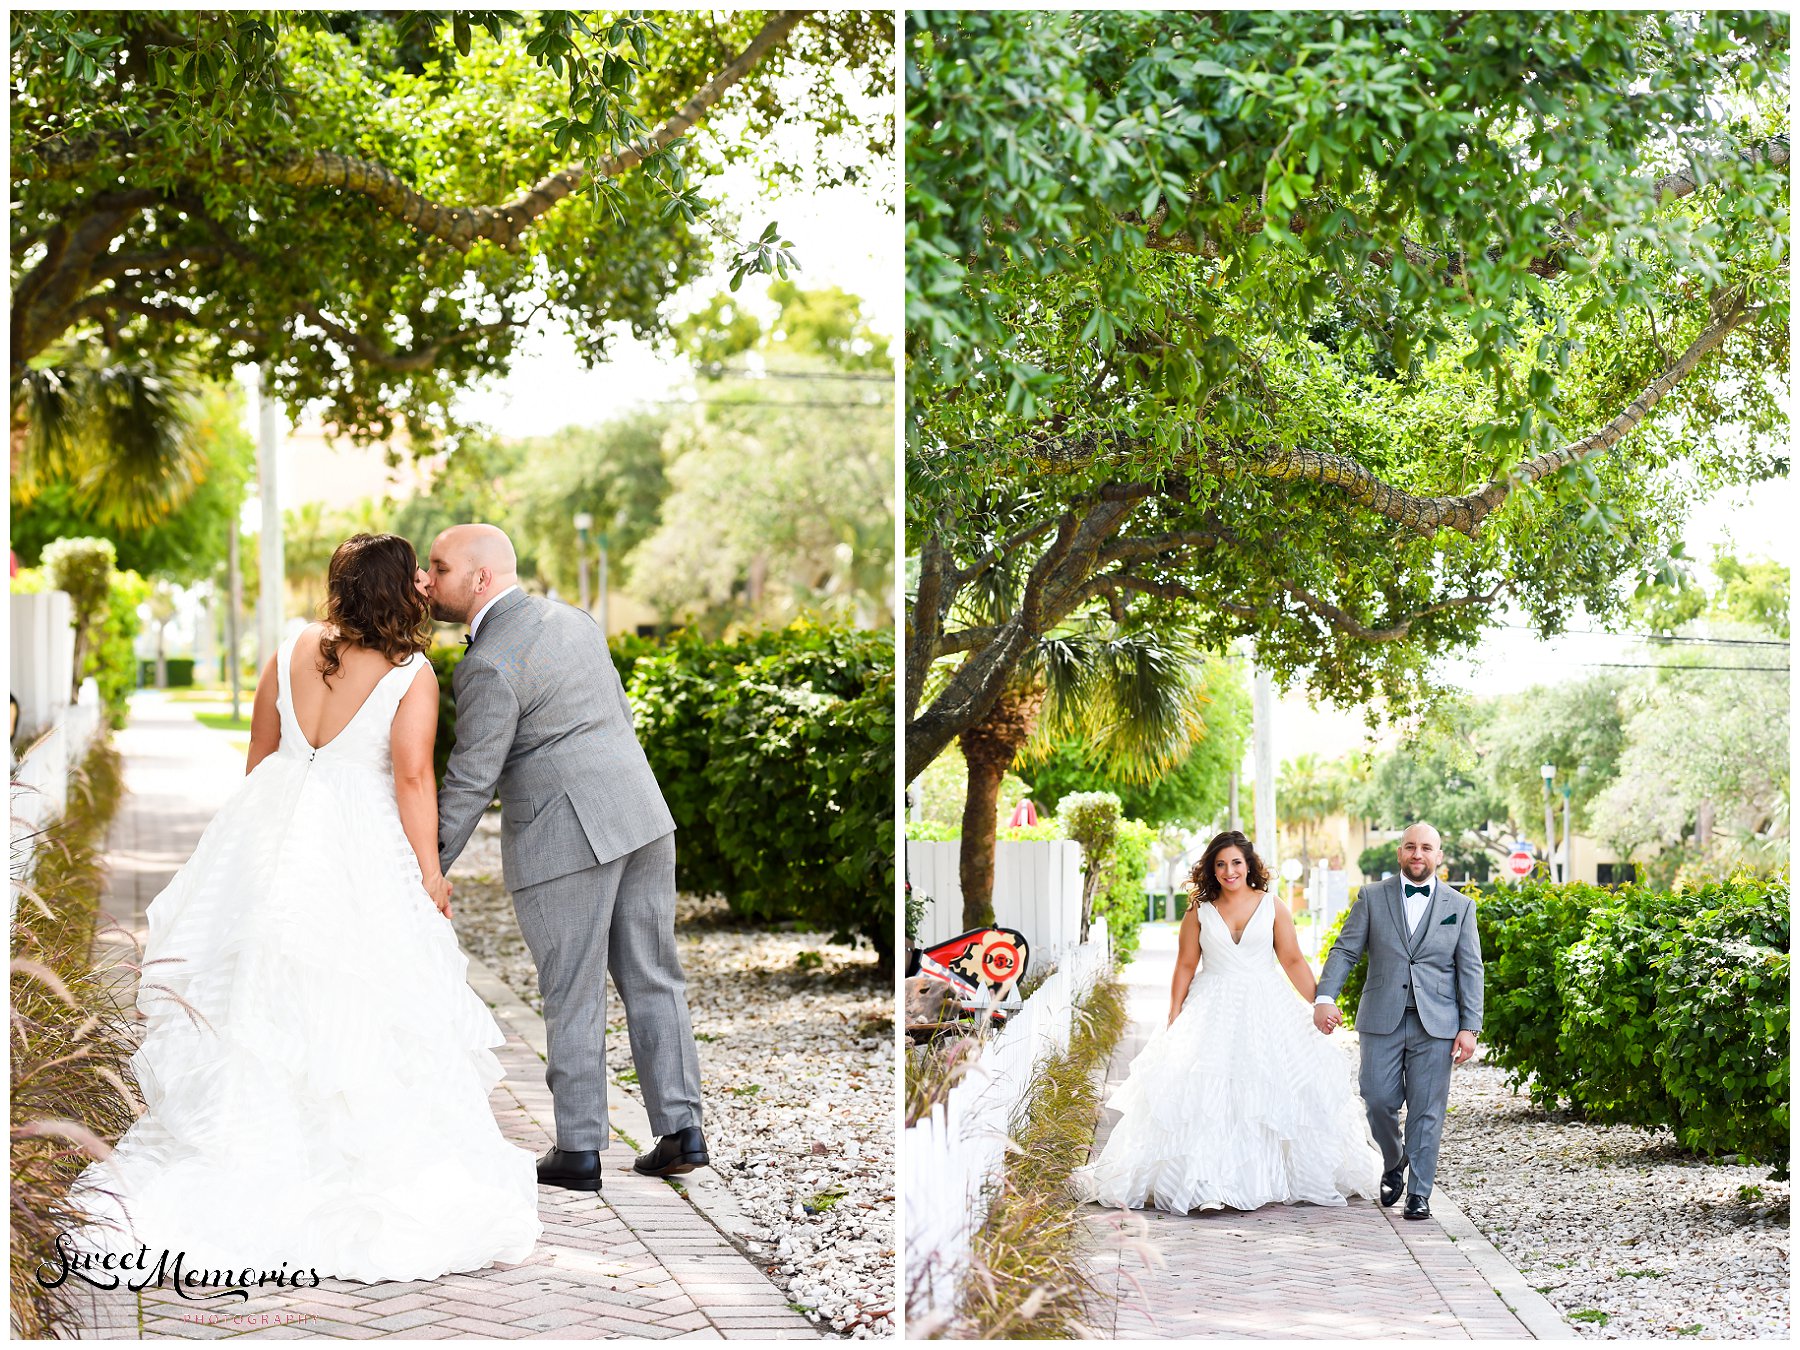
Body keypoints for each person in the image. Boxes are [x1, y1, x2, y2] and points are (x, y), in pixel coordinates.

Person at [71, 533, 540, 1282]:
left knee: (253, 983)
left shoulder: (291, 647)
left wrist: (262, 837)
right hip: (357, 841)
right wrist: (429, 874)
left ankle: (235, 1141)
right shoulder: (409, 671)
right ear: (399, 590)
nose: (427, 581)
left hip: (272, 825)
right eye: (416, 573)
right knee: (355, 992)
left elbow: (260, 757)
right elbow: (414, 781)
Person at [423, 524, 705, 1192]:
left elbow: (471, 776)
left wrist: (428, 867)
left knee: (571, 988)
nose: (427, 581)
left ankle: (579, 1151)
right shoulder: (574, 621)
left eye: (438, 568)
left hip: (566, 833)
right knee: (654, 975)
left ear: (481, 578)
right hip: (640, 813)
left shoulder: (489, 663)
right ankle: (681, 1129)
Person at [1079, 830, 1381, 1213]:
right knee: (1208, 1098)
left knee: (1268, 1090)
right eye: (1220, 864)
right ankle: (1208, 1185)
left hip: (1266, 1006)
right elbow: (1186, 965)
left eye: (1235, 862)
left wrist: (1319, 1002)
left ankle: (1262, 1179)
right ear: (1211, 869)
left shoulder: (1273, 906)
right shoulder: (1199, 910)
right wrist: (1173, 1017)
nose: (1228, 871)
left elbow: (1291, 960)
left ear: (1249, 864)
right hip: (1212, 1006)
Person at [1314, 821, 1483, 1220]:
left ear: (1439, 856)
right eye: (1410, 847)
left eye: (1426, 848)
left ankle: (1419, 1194)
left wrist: (1470, 1026)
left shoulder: (1460, 907)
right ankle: (1393, 1161)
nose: (1418, 854)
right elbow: (1345, 950)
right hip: (1381, 1018)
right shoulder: (1372, 897)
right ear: (1400, 853)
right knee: (1377, 1099)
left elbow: (1470, 969)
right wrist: (1325, 996)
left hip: (1437, 1023)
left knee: (1427, 1110)